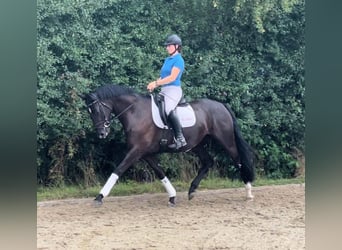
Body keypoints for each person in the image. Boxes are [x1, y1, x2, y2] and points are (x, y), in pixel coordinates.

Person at [147, 34, 187, 149]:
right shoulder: (167, 59)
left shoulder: (179, 60)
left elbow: (172, 78)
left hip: (174, 90)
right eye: (167, 46)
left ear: (176, 46)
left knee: (168, 109)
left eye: (169, 46)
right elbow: (164, 76)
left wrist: (156, 83)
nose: (167, 48)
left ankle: (180, 138)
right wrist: (154, 83)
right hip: (165, 89)